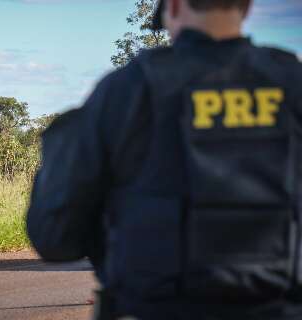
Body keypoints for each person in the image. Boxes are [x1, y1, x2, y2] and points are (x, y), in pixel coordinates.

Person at [26, 0, 302, 319]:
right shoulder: (292, 82)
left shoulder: (126, 89)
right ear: (247, 6)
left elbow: (54, 236)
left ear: (172, 6)